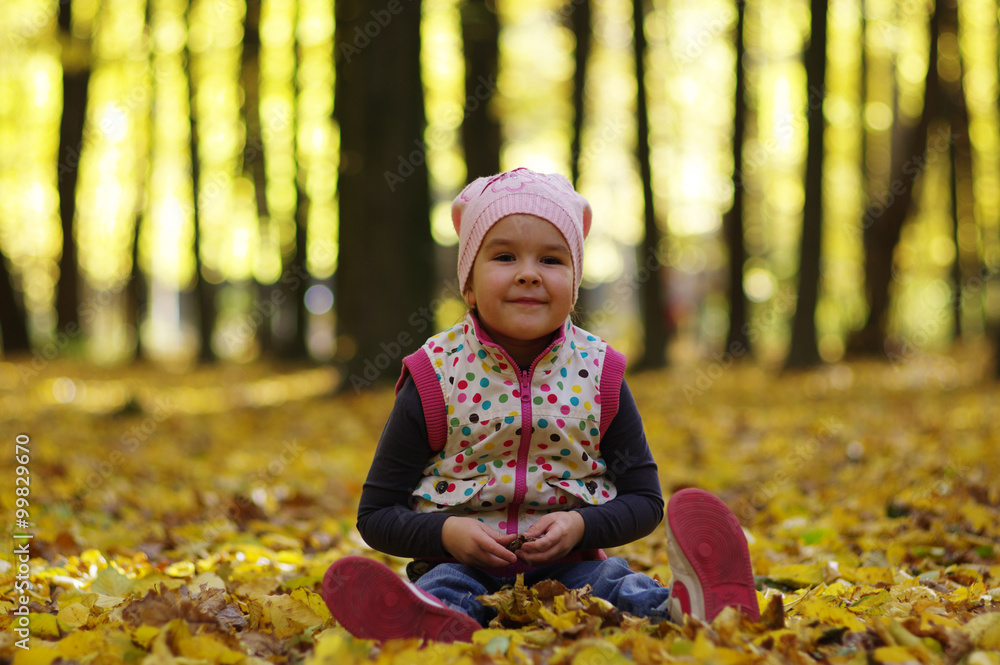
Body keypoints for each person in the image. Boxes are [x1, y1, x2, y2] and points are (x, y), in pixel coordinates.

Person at [321, 168, 758, 642]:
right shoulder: (434, 375)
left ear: (573, 286)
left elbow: (645, 501)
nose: (529, 273)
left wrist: (580, 525)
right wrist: (447, 535)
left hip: (575, 568)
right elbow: (377, 514)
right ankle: (427, 623)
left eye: (551, 260)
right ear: (468, 283)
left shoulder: (600, 374)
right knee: (447, 589)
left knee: (620, 587)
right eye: (505, 256)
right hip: (460, 565)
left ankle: (696, 607)